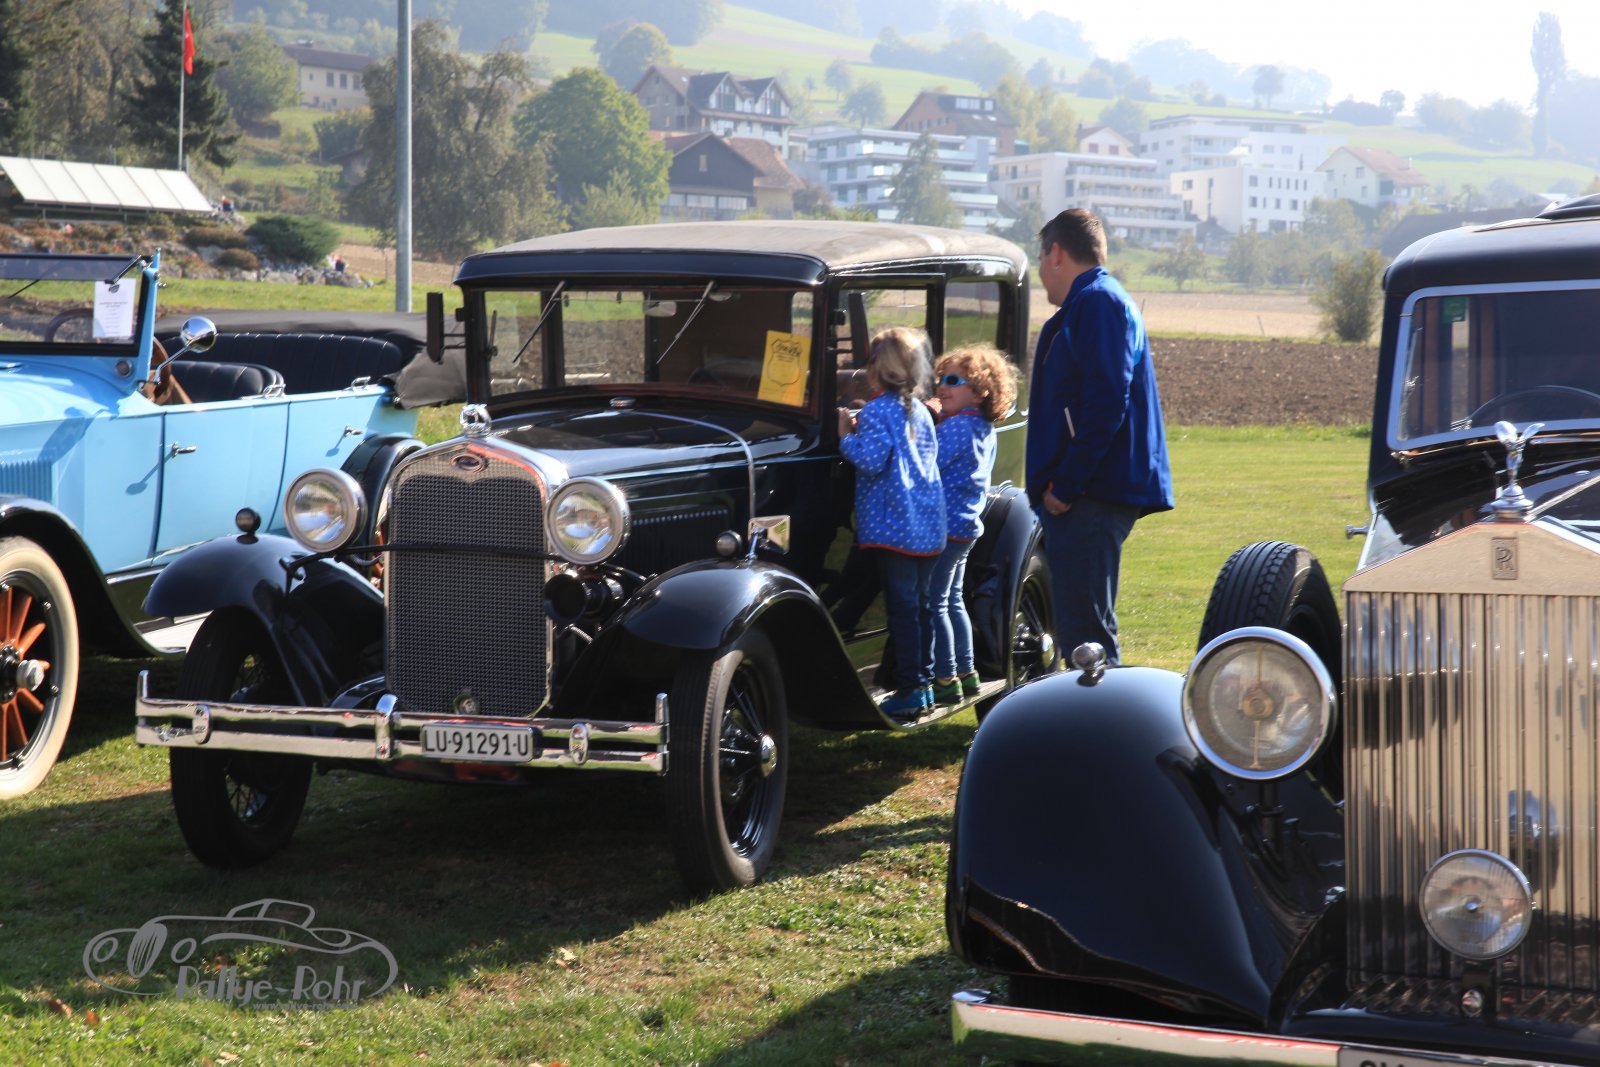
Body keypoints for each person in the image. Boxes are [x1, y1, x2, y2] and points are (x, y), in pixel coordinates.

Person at [1027, 208, 1174, 665]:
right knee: (1080, 628)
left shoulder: (1098, 303)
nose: (1040, 270)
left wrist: (1067, 484)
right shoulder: (1092, 302)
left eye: (1040, 257)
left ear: (1056, 253)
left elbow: (1107, 400)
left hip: (1089, 495)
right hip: (1088, 493)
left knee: (1086, 640)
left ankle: (1098, 713)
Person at [838, 326, 945, 717]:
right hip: (927, 524)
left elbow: (871, 460)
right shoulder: (920, 411)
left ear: (874, 372)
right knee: (922, 608)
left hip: (893, 528)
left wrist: (845, 435)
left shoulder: (874, 411)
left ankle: (911, 687)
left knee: (903, 611)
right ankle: (926, 684)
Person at [927, 343, 1017, 705]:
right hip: (965, 528)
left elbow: (925, 460)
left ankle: (945, 676)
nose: (941, 387)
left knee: (933, 601)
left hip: (944, 528)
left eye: (952, 381)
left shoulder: (955, 429)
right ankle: (966, 672)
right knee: (952, 599)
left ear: (980, 392)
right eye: (939, 380)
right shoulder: (982, 427)